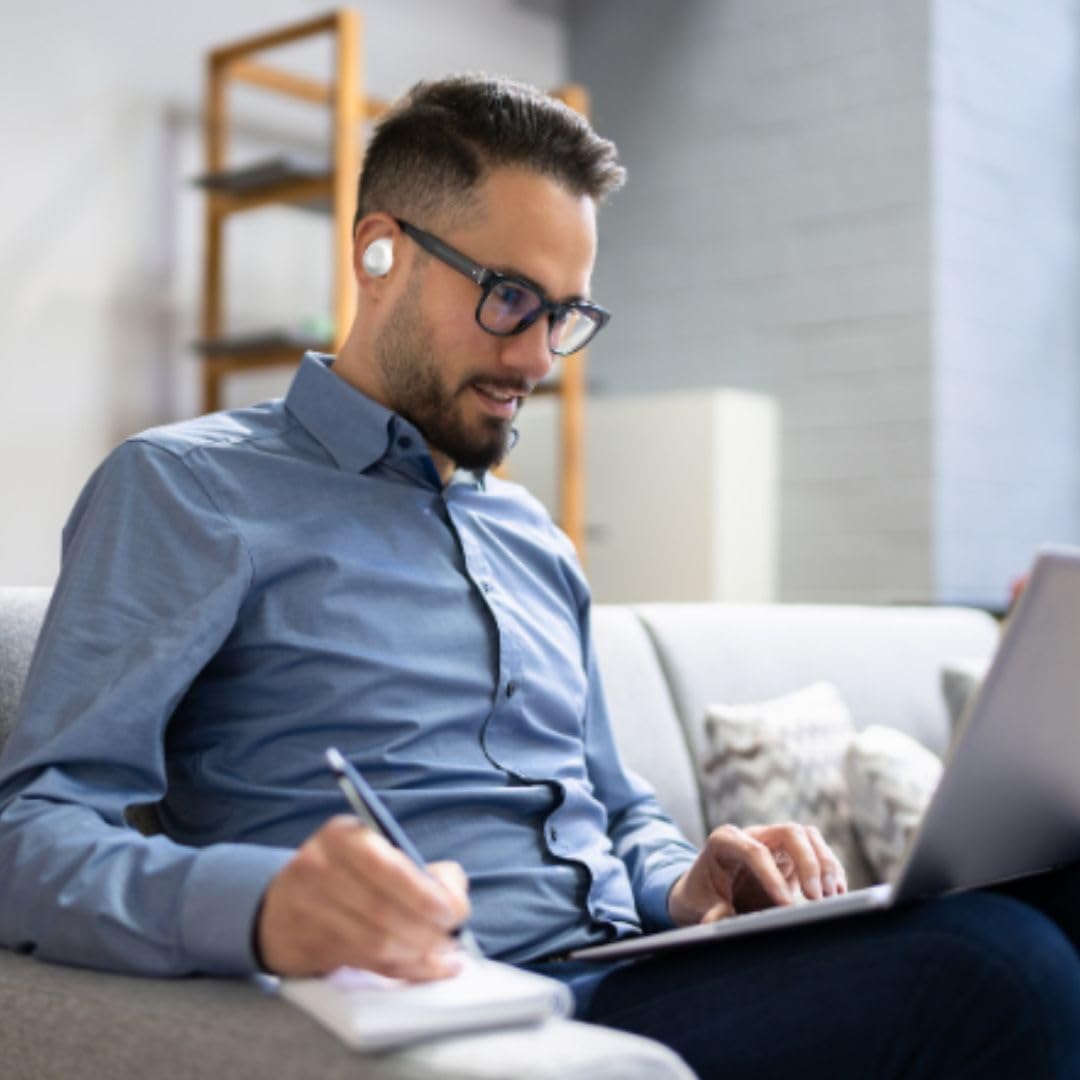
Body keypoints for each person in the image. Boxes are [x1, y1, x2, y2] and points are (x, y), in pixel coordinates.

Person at [1, 74, 1079, 1078]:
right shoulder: (186, 492)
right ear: (381, 253)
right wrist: (263, 903)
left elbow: (619, 807)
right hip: (490, 1006)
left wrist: (684, 879)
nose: (536, 360)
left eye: (565, 315)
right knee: (999, 968)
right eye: (511, 298)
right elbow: (31, 836)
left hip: (640, 967)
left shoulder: (535, 540)